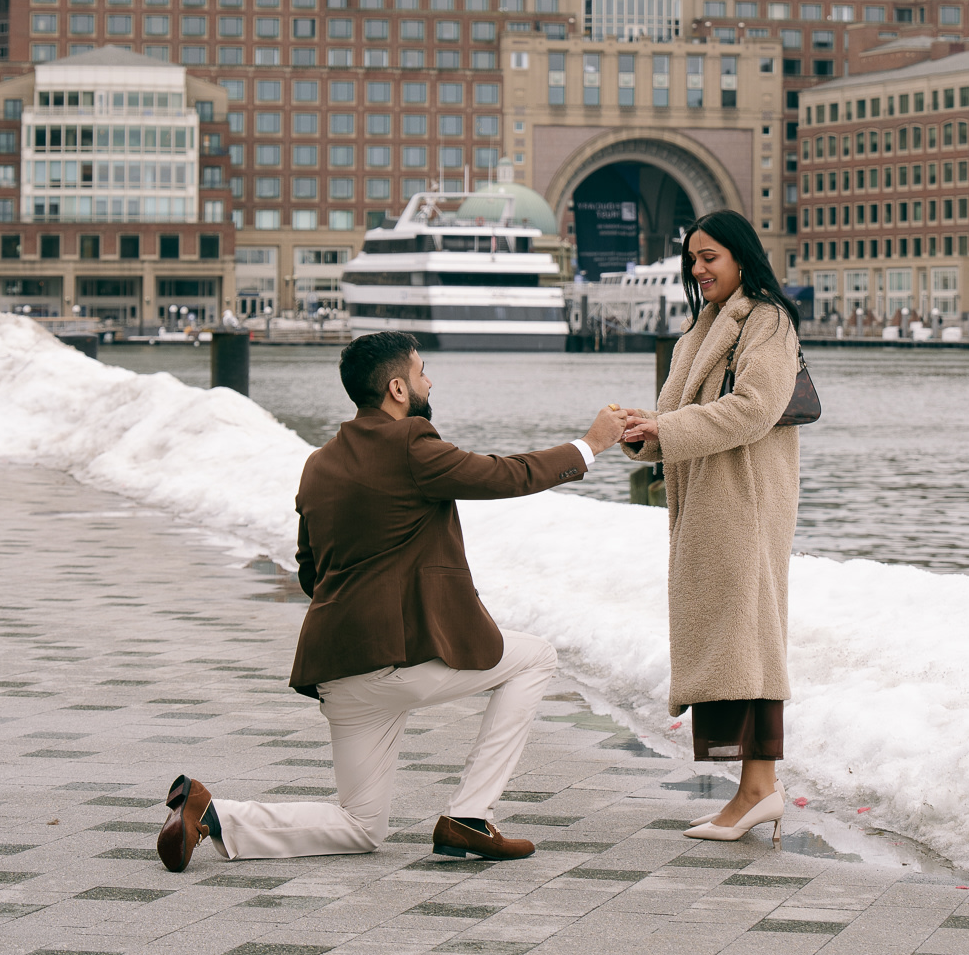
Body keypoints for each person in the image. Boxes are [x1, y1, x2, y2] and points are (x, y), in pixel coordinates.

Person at [157, 331, 626, 871]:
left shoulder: (320, 463)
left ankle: (213, 814)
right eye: (423, 371)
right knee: (537, 656)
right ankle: (470, 816)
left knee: (360, 826)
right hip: (394, 662)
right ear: (399, 388)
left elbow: (312, 572)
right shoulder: (410, 445)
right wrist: (591, 443)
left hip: (338, 669)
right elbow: (505, 474)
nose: (431, 381)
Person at [620, 210, 800, 846]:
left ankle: (760, 789)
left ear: (742, 257)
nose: (698, 270)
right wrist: (644, 431)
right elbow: (676, 413)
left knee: (751, 641)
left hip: (745, 503)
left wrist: (664, 430)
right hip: (706, 506)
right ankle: (753, 789)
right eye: (692, 259)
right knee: (731, 641)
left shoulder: (769, 322)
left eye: (710, 257)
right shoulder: (701, 327)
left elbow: (754, 409)